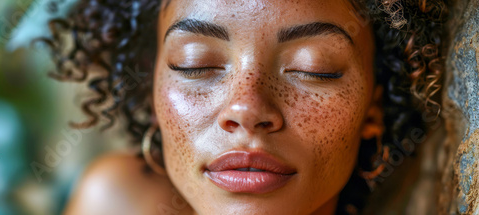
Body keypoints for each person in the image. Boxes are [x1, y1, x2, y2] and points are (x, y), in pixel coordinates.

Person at [42, 0, 448, 214]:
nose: (247, 108)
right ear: (151, 91)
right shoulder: (120, 201)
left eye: (314, 70)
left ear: (373, 107)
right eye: (195, 64)